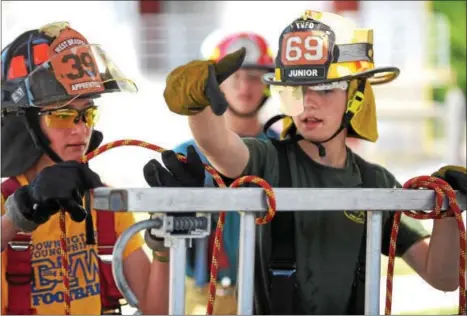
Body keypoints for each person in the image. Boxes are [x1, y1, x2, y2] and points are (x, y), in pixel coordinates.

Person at [159, 10, 467, 315]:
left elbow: (442, 277)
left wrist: (448, 210)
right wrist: (196, 103)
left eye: (325, 88)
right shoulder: (268, 159)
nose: (308, 101)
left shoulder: (376, 182)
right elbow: (217, 145)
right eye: (297, 89)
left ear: (356, 96)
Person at [1, 22, 169, 315]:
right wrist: (20, 213)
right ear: (25, 122)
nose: (81, 131)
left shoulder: (105, 204)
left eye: (87, 114)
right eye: (63, 115)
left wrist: (165, 242)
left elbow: (156, 310)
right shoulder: (4, 204)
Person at [172, 30, 278, 315]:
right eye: (234, 76)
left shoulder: (286, 151)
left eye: (255, 76)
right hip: (203, 294)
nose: (245, 86)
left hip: (271, 291)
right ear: (216, 86)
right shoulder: (184, 156)